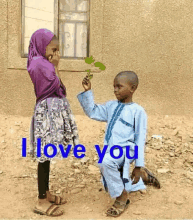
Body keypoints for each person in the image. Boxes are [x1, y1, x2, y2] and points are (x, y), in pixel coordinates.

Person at [77, 71, 160, 217]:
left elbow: (140, 138)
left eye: (119, 86)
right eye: (114, 86)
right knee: (108, 163)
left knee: (105, 162)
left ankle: (122, 197)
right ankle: (144, 177)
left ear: (132, 88)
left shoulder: (138, 111)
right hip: (112, 149)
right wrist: (88, 91)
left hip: (128, 149)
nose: (115, 90)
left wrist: (138, 165)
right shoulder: (111, 106)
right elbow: (93, 112)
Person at [27, 29, 79, 216]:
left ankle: (46, 192)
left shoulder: (43, 62)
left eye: (58, 50)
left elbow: (61, 88)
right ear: (42, 45)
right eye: (54, 49)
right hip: (46, 113)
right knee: (44, 155)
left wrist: (54, 66)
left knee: (47, 154)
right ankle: (41, 201)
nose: (56, 53)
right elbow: (55, 86)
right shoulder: (38, 64)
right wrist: (56, 66)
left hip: (51, 112)